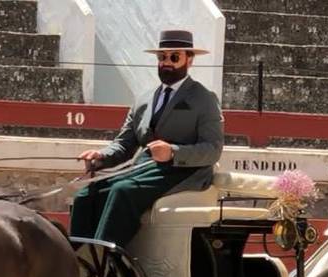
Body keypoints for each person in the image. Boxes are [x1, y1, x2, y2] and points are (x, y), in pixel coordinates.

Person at [69, 29, 224, 247]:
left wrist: (173, 152)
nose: (166, 62)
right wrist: (101, 156)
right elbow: (124, 143)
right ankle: (79, 261)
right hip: (145, 169)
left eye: (174, 57)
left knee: (122, 191)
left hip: (183, 172)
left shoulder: (204, 98)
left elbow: (213, 149)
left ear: (190, 60)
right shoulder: (143, 99)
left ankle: (109, 262)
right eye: (162, 57)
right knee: (86, 195)